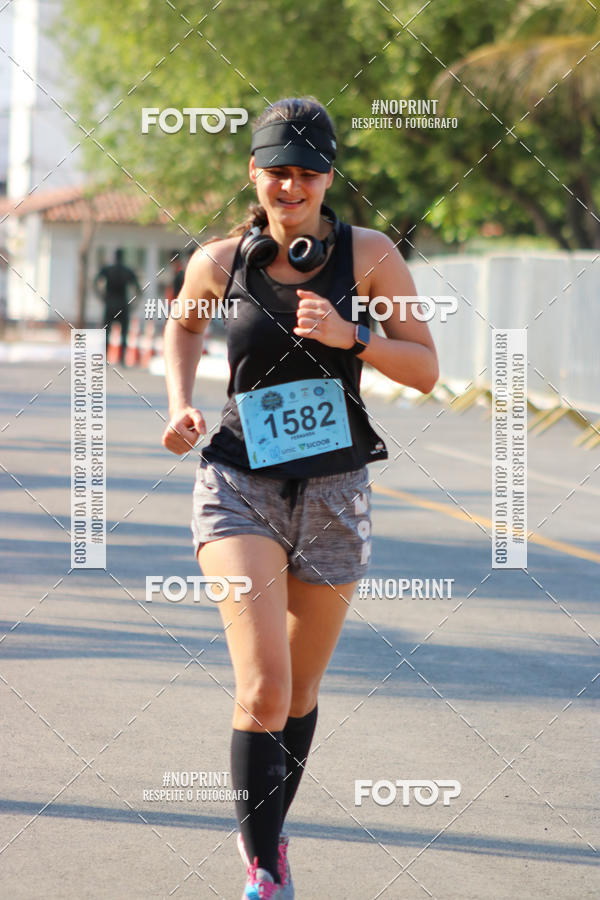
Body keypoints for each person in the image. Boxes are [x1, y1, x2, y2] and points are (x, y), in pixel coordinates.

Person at [161, 96, 438, 899]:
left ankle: (269, 833)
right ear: (254, 173)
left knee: (301, 694)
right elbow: (184, 324)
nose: (292, 186)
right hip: (237, 486)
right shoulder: (222, 261)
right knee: (265, 688)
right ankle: (263, 870)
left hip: (336, 492)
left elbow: (426, 369)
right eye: (278, 171)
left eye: (308, 173)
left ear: (328, 178)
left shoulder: (370, 255)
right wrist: (180, 403)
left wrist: (353, 336)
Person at [94, 248, 141, 362]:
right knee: (124, 334)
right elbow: (138, 289)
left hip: (110, 304)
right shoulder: (127, 271)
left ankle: (105, 357)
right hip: (123, 305)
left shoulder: (108, 270)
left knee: (107, 333)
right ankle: (122, 359)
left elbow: (95, 282)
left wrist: (102, 297)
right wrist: (133, 304)